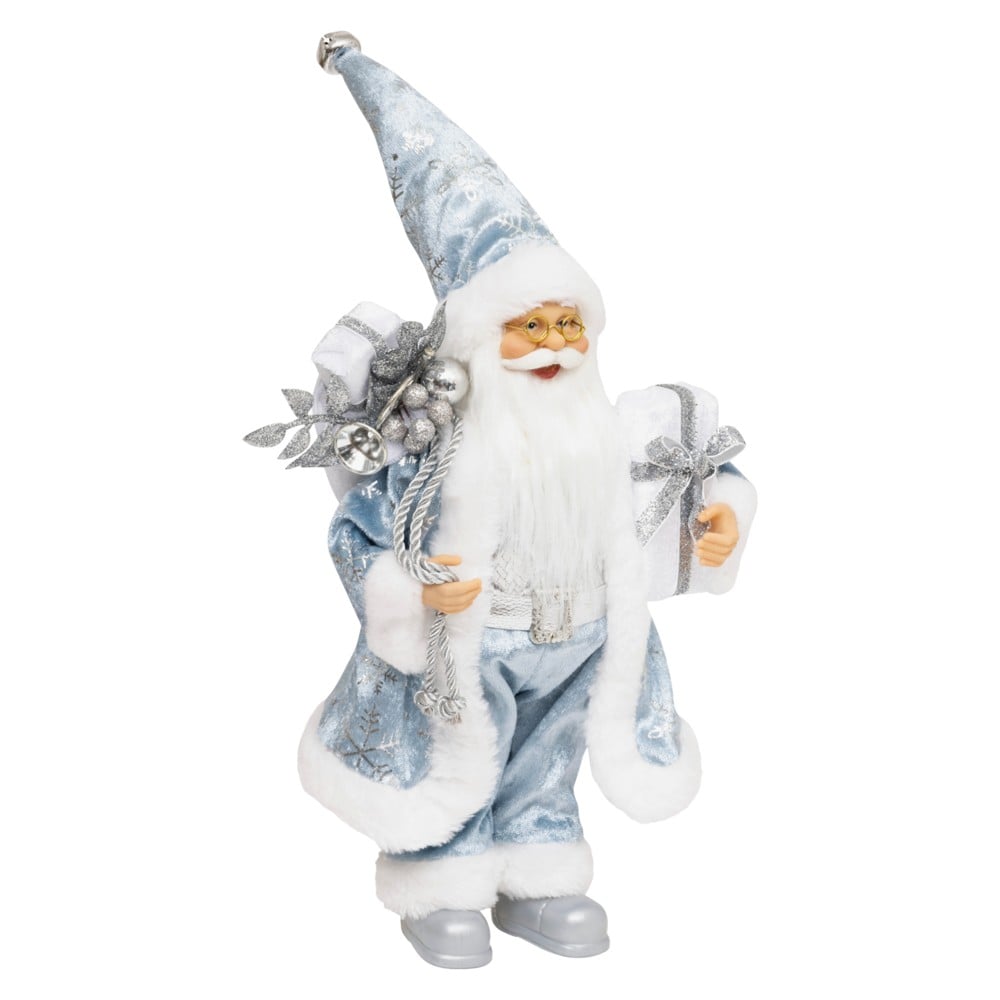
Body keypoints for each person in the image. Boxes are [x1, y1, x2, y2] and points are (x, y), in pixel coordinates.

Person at [294, 33, 756, 968]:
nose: (553, 343)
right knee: (460, 754)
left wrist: (721, 523)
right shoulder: (442, 446)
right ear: (478, 340)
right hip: (477, 639)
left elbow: (693, 476)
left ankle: (541, 869)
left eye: (568, 323)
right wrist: (413, 588)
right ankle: (443, 878)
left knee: (551, 757)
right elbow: (357, 528)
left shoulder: (611, 431)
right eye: (528, 325)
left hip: (584, 638)